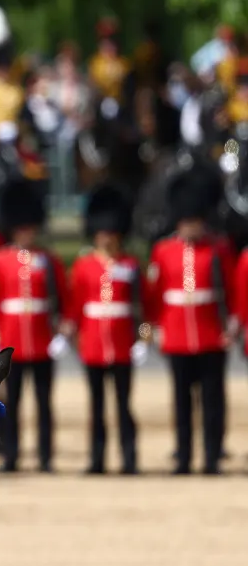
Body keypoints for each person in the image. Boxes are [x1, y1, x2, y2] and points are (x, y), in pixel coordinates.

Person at [147, 164, 235, 475]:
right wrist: (154, 328)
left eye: (195, 221)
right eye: (186, 221)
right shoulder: (163, 250)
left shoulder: (218, 249)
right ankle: (184, 456)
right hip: (176, 333)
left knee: (213, 402)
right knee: (182, 403)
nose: (191, 227)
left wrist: (232, 325)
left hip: (211, 332)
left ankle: (211, 457)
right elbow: (154, 295)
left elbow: (232, 290)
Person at [0, 180, 66, 473]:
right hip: (11, 338)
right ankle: (12, 454)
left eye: (29, 227)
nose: (26, 233)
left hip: (42, 338)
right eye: (21, 228)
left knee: (44, 402)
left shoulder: (49, 260)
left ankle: (45, 456)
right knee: (12, 402)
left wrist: (60, 331)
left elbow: (61, 298)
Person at [64, 184, 147, 474]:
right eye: (103, 232)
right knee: (97, 406)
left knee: (123, 404)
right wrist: (71, 334)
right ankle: (97, 460)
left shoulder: (131, 264)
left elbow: (141, 304)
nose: (107, 237)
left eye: (111, 232)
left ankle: (129, 459)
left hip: (123, 343)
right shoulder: (84, 266)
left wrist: (143, 338)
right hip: (94, 344)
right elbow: (76, 305)